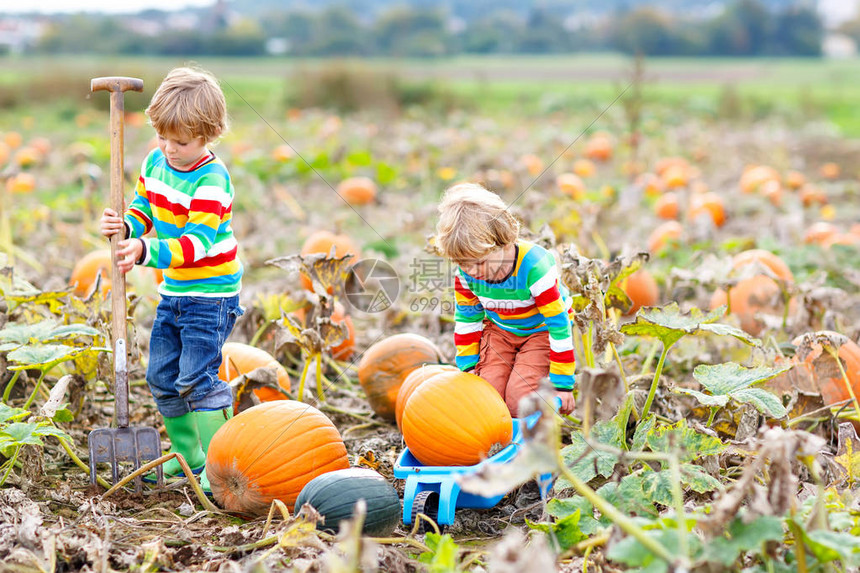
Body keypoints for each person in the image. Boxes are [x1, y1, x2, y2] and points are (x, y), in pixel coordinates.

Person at [99, 67, 243, 487]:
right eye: (162, 137)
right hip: (175, 292)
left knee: (196, 378)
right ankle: (189, 456)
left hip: (211, 296)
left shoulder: (212, 181)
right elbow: (146, 207)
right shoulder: (156, 161)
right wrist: (127, 227)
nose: (169, 149)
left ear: (209, 134)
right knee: (162, 377)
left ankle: (222, 466)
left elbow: (195, 244)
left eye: (180, 142)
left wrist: (145, 251)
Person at [435, 183, 576, 417]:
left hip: (540, 332)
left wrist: (563, 384)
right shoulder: (467, 275)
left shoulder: (533, 267)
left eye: (479, 262)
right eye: (462, 263)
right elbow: (467, 319)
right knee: (486, 395)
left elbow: (558, 323)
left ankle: (536, 423)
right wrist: (469, 367)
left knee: (519, 402)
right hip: (501, 330)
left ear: (505, 241)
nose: (472, 271)